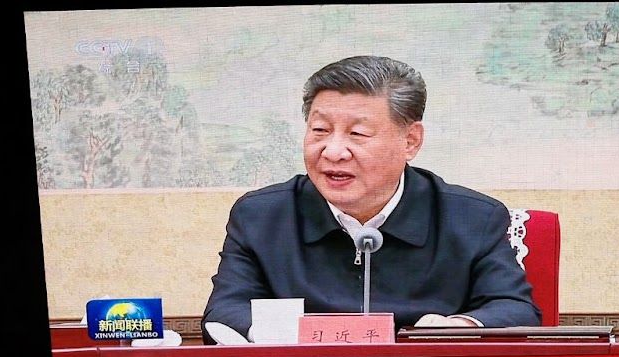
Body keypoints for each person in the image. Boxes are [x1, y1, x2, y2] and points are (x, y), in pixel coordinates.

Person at [202, 56, 541, 341]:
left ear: (410, 141)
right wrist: (301, 334)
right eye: (319, 131)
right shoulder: (262, 216)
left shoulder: (472, 218)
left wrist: (459, 326)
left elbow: (515, 309)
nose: (332, 152)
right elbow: (224, 312)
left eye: (357, 134)